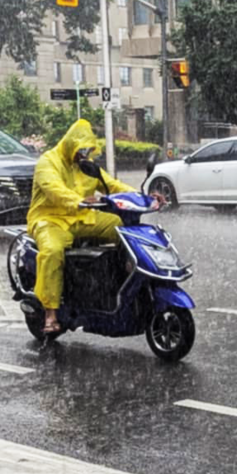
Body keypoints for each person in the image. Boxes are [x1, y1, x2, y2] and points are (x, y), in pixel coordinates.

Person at [27, 119, 163, 334]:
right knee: (52, 251)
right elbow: (53, 189)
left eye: (88, 149)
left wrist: (144, 199)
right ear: (70, 144)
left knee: (122, 228)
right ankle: (50, 313)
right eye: (81, 149)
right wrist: (78, 201)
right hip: (50, 220)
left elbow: (113, 186)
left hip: (83, 218)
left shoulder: (87, 166)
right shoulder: (48, 162)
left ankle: (128, 275)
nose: (84, 153)